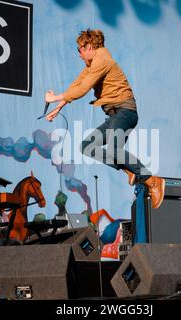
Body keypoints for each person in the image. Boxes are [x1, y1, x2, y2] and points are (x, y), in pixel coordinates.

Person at [44, 29, 164, 209]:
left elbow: (83, 89)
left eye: (80, 50)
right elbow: (77, 84)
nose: (79, 54)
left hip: (125, 111)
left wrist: (54, 98)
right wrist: (57, 107)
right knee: (87, 146)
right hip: (115, 115)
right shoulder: (92, 65)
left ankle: (152, 180)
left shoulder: (102, 60)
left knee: (115, 149)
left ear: (89, 47)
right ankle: (128, 169)